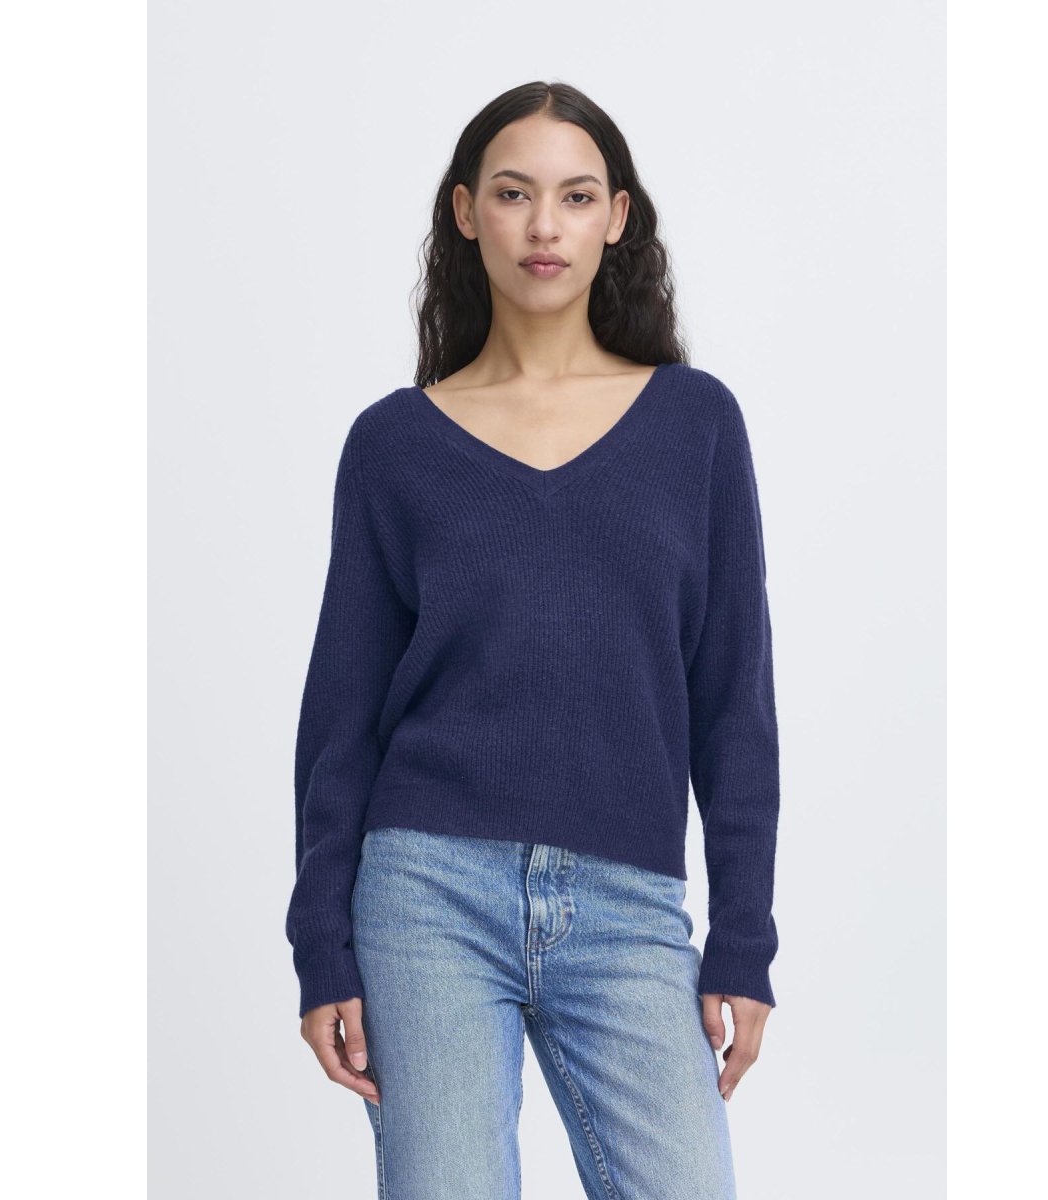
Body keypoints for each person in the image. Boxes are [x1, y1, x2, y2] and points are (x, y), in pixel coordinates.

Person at [285, 80, 781, 1199]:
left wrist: (744, 937)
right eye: (513, 194)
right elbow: (341, 719)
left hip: (629, 905)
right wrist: (322, 946)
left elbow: (735, 701)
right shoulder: (394, 445)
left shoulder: (696, 424)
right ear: (467, 213)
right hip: (425, 897)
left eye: (576, 196)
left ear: (618, 217)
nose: (544, 225)